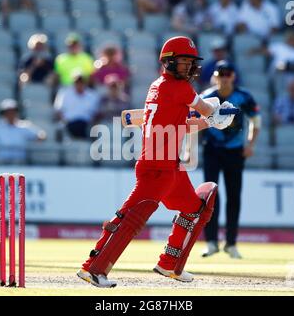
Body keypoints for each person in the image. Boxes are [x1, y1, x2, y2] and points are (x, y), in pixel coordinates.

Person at [77, 36, 236, 288]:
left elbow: (181, 124)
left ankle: (170, 263)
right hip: (156, 168)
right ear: (169, 62)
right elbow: (205, 108)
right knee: (130, 218)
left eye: (191, 62)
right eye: (184, 62)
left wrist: (210, 120)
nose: (189, 67)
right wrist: (216, 115)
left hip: (169, 165)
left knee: (197, 207)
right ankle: (93, 269)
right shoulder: (180, 89)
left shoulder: (159, 86)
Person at [200, 61, 261, 259]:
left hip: (235, 151)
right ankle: (211, 242)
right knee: (210, 198)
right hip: (212, 150)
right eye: (221, 73)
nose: (225, 77)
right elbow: (193, 121)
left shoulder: (244, 97)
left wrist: (250, 144)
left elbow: (255, 120)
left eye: (228, 74)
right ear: (216, 76)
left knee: (234, 197)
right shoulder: (206, 97)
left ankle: (231, 243)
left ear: (233, 76)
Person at [0, 99, 46, 164]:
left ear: (16, 112)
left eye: (13, 111)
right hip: (1, 162)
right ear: (3, 114)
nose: (10, 114)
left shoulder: (24, 125)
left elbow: (41, 134)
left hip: (19, 162)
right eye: (7, 112)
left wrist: (39, 139)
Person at [54, 72, 100, 139]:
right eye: (77, 82)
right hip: (69, 123)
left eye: (81, 82)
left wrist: (93, 122)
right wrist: (64, 120)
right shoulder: (64, 93)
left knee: (94, 129)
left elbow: (96, 113)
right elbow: (58, 110)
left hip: (86, 124)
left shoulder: (93, 95)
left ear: (85, 83)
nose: (79, 84)